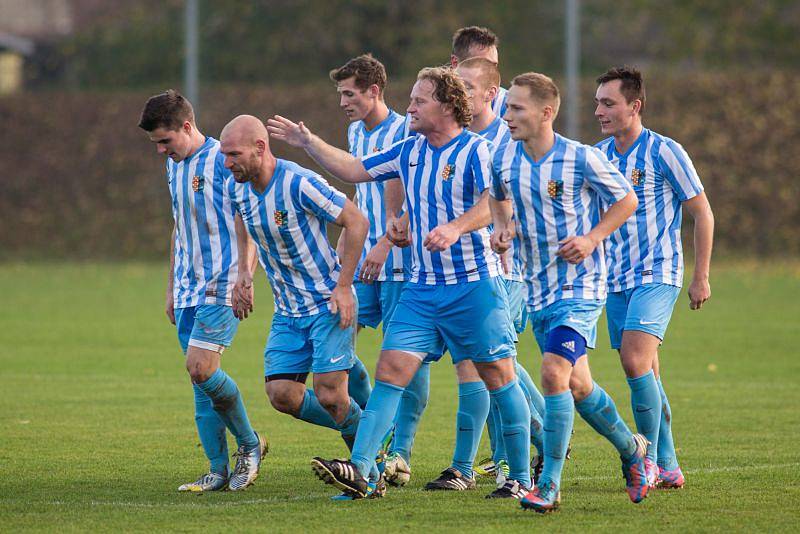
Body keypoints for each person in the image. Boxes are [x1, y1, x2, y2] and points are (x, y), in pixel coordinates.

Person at [268, 66, 533, 500]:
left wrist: (457, 227)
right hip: (421, 289)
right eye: (410, 99)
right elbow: (354, 169)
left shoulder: (478, 151)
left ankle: (521, 478)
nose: (409, 106)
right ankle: (363, 474)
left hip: (474, 287)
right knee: (390, 371)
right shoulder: (408, 150)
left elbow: (494, 202)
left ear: (447, 107)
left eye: (419, 100)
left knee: (499, 376)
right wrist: (307, 143)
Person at [488, 73, 649, 513]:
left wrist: (593, 237)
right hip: (536, 289)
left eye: (516, 109)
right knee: (578, 386)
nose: (507, 116)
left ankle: (550, 484)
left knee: (553, 372)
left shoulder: (579, 158)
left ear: (546, 113)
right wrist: (502, 229)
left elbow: (627, 199)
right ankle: (633, 451)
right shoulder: (504, 160)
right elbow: (498, 199)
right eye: (507, 108)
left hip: (580, 288)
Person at [218, 115, 383, 497]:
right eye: (225, 155)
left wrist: (344, 286)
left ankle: (367, 476)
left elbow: (356, 221)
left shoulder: (298, 182)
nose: (228, 163)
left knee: (329, 394)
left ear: (261, 148)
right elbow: (244, 221)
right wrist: (245, 272)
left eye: (234, 154)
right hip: (288, 313)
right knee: (282, 396)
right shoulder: (237, 186)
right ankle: (369, 429)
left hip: (328, 303)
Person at [138, 91, 266, 493]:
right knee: (199, 380)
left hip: (222, 286)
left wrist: (245, 277)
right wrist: (171, 288)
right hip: (188, 288)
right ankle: (217, 468)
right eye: (156, 143)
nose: (161, 150)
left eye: (165, 141)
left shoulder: (223, 162)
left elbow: (252, 221)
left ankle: (250, 445)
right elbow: (180, 226)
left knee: (201, 369)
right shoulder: (175, 167)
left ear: (188, 127)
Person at [594, 66, 714, 489]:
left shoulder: (665, 151)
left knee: (633, 360)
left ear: (635, 106)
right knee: (649, 373)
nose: (599, 111)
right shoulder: (598, 155)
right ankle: (669, 463)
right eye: (597, 102)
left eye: (608, 103)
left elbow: (702, 213)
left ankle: (645, 458)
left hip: (658, 273)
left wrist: (700, 276)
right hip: (614, 280)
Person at [327, 54, 428, 490]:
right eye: (340, 94)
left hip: (400, 261)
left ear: (374, 91)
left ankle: (400, 453)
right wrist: (347, 241)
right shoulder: (354, 131)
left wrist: (386, 243)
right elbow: (359, 189)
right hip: (363, 258)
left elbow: (406, 199)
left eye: (350, 93)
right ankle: (378, 429)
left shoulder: (405, 130)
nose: (344, 102)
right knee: (337, 331)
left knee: (407, 358)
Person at [455, 58, 547, 487]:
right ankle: (528, 447)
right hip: (467, 270)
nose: (462, 93)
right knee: (490, 360)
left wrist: (506, 231)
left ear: (493, 91)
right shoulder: (451, 133)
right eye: (457, 84)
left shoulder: (506, 136)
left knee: (495, 360)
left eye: (470, 86)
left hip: (505, 269)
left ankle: (535, 444)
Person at [450, 26, 507, 118]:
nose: (490, 72)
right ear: (455, 62)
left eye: (494, 65)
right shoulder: (431, 101)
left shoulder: (508, 104)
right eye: (481, 65)